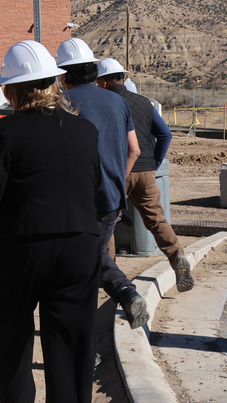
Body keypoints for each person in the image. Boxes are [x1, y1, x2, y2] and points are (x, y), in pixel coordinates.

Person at [0, 41, 101, 403]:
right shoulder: (87, 131)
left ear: (12, 88)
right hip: (80, 248)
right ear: (54, 81)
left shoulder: (5, 131)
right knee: (70, 346)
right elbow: (94, 190)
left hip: (21, 249)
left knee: (14, 342)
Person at [56, 38, 147, 329]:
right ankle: (123, 291)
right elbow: (135, 150)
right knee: (94, 256)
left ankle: (87, 343)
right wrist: (118, 180)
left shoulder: (63, 103)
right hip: (111, 200)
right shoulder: (118, 102)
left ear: (63, 75)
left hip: (76, 201)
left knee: (77, 272)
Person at [96, 57, 193, 291]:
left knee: (106, 222)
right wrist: (154, 163)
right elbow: (165, 135)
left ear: (105, 82)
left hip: (116, 172)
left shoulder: (104, 102)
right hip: (146, 171)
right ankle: (178, 257)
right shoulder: (143, 102)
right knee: (156, 220)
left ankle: (111, 279)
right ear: (123, 78)